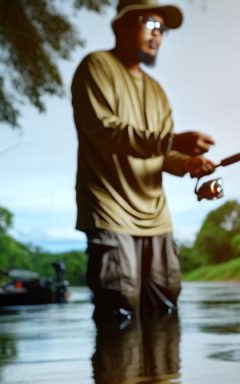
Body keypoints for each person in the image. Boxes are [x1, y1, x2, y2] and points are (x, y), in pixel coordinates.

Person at [71, 0, 217, 321]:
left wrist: (186, 163)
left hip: (157, 218)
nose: (157, 35)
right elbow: (105, 131)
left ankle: (164, 375)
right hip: (109, 211)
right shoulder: (96, 67)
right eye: (150, 24)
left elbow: (162, 153)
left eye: (162, 30)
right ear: (122, 24)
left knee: (165, 306)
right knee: (119, 308)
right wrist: (175, 141)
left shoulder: (157, 92)